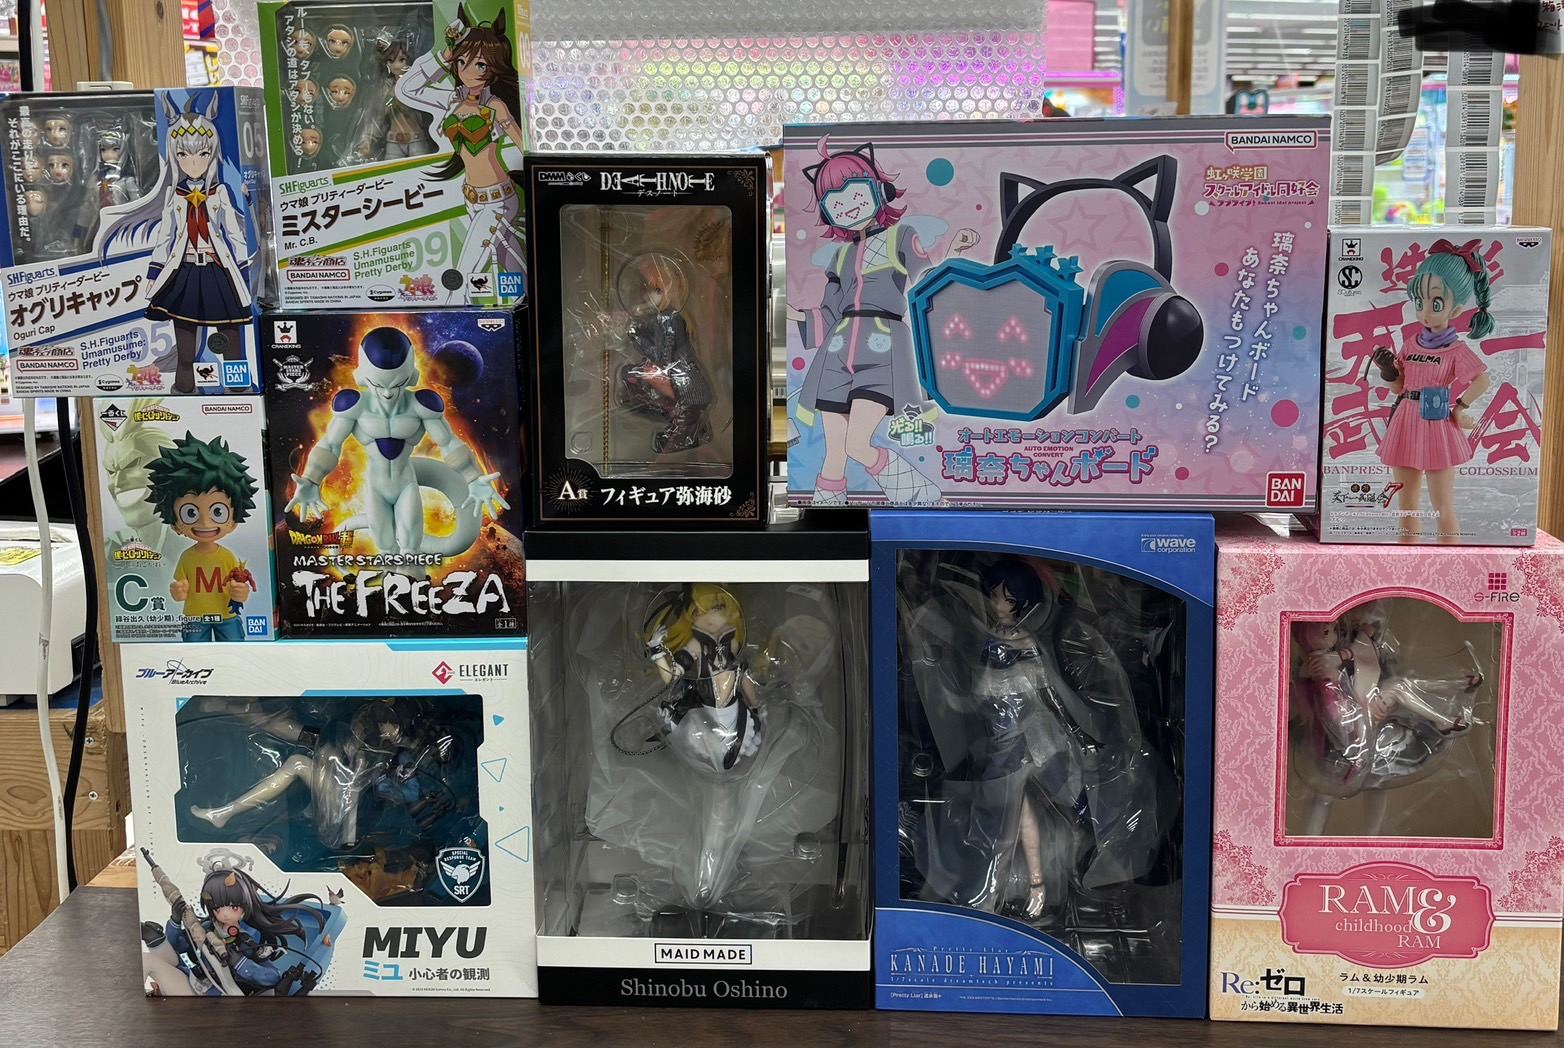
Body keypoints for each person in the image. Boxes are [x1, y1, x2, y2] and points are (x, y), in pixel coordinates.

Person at [396, 4, 525, 302]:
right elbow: (406, 90)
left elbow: (522, 143)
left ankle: (458, 315)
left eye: (480, 65)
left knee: (461, 277)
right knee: (514, 267)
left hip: (498, 200)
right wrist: (444, 57)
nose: (468, 72)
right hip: (470, 198)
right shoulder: (452, 101)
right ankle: (530, 308)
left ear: (493, 68)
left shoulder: (495, 106)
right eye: (462, 62)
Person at [1370, 239, 1495, 543]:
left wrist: (1460, 407)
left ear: (1457, 309)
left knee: (1442, 506)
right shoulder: (1410, 344)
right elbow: (1399, 387)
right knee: (1407, 504)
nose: (1425, 312)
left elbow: (1482, 380)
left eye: (1436, 303)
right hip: (1406, 420)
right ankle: (1407, 559)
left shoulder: (1456, 350)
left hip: (1438, 422)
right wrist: (1388, 371)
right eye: (1420, 302)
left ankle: (1450, 562)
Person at [144, 431, 259, 642]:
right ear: (174, 523)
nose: (205, 523)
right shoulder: (187, 557)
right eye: (190, 513)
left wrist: (241, 592)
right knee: (193, 653)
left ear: (234, 521)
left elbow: (239, 583)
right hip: (195, 617)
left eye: (218, 512)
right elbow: (179, 586)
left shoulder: (227, 557)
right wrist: (178, 591)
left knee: (235, 650)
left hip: (227, 615)